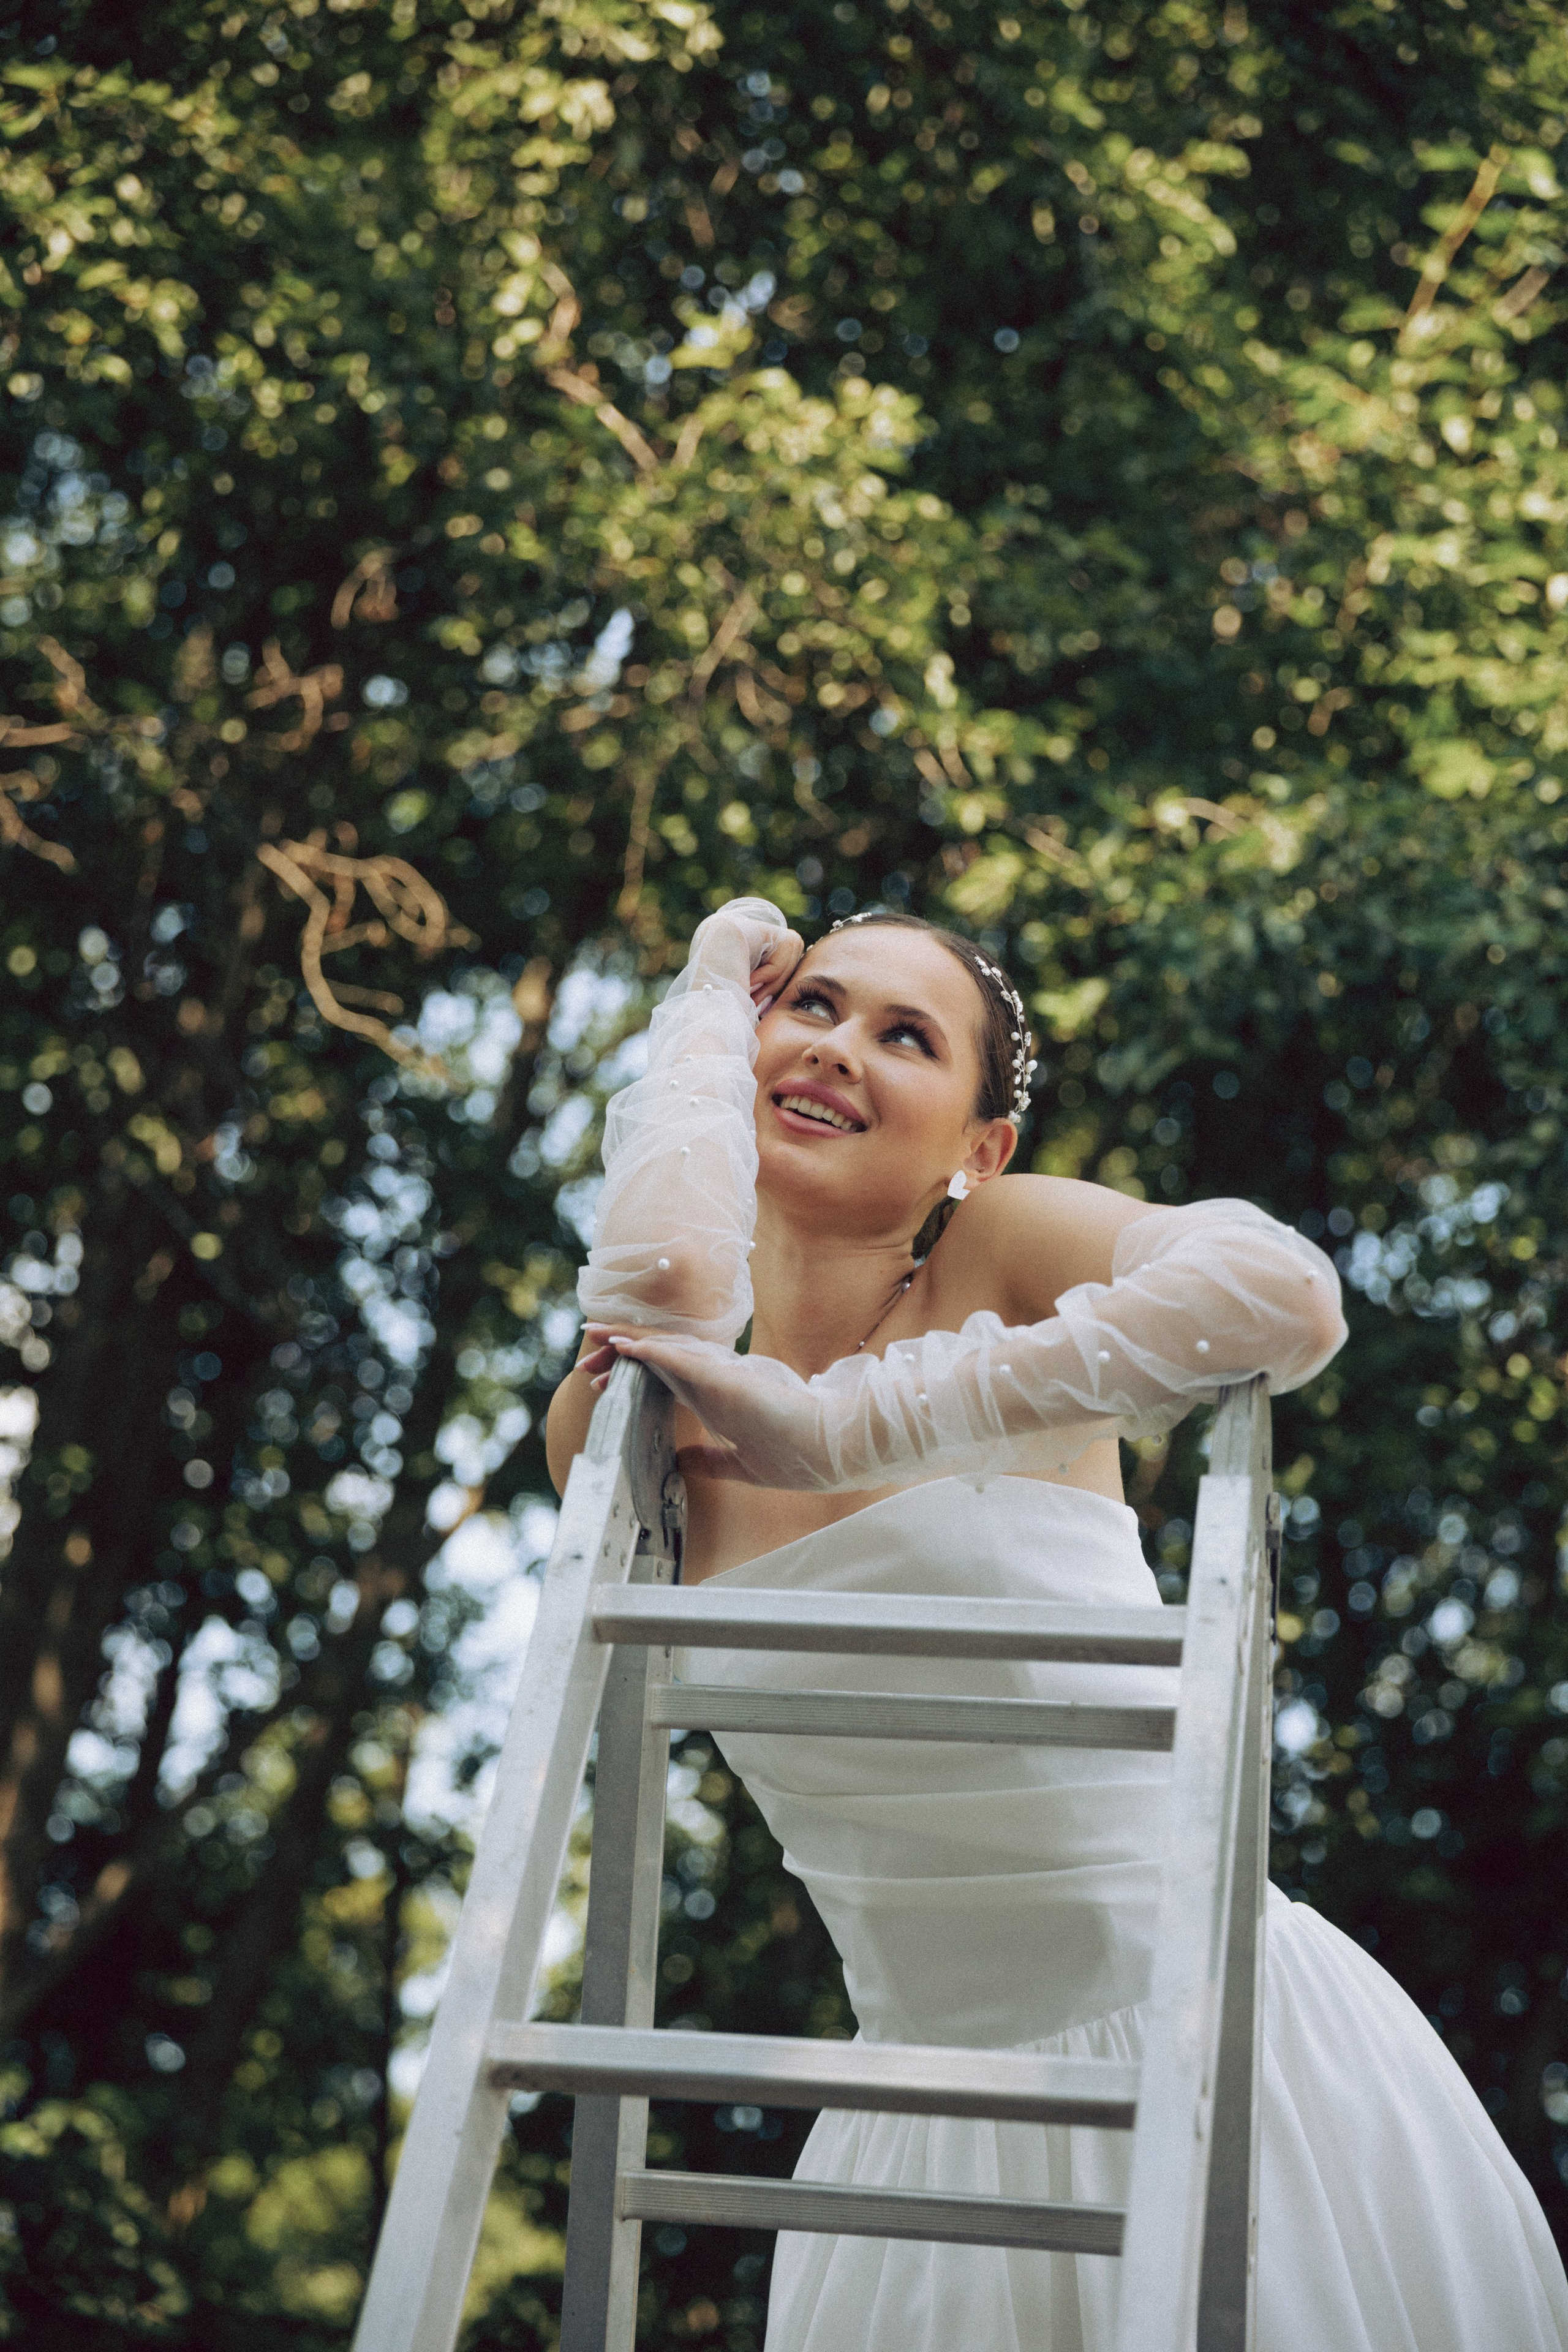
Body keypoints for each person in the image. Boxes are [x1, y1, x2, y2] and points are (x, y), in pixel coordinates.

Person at [547, 897, 1568, 2352]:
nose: (840, 1049)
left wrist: (851, 1428)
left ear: (977, 1153)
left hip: (1217, 2058)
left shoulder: (1002, 1255)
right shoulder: (623, 1420)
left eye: (906, 1036)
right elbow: (651, 1279)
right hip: (923, 2128)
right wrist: (708, 997)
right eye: (812, 1005)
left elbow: (1282, 1293)